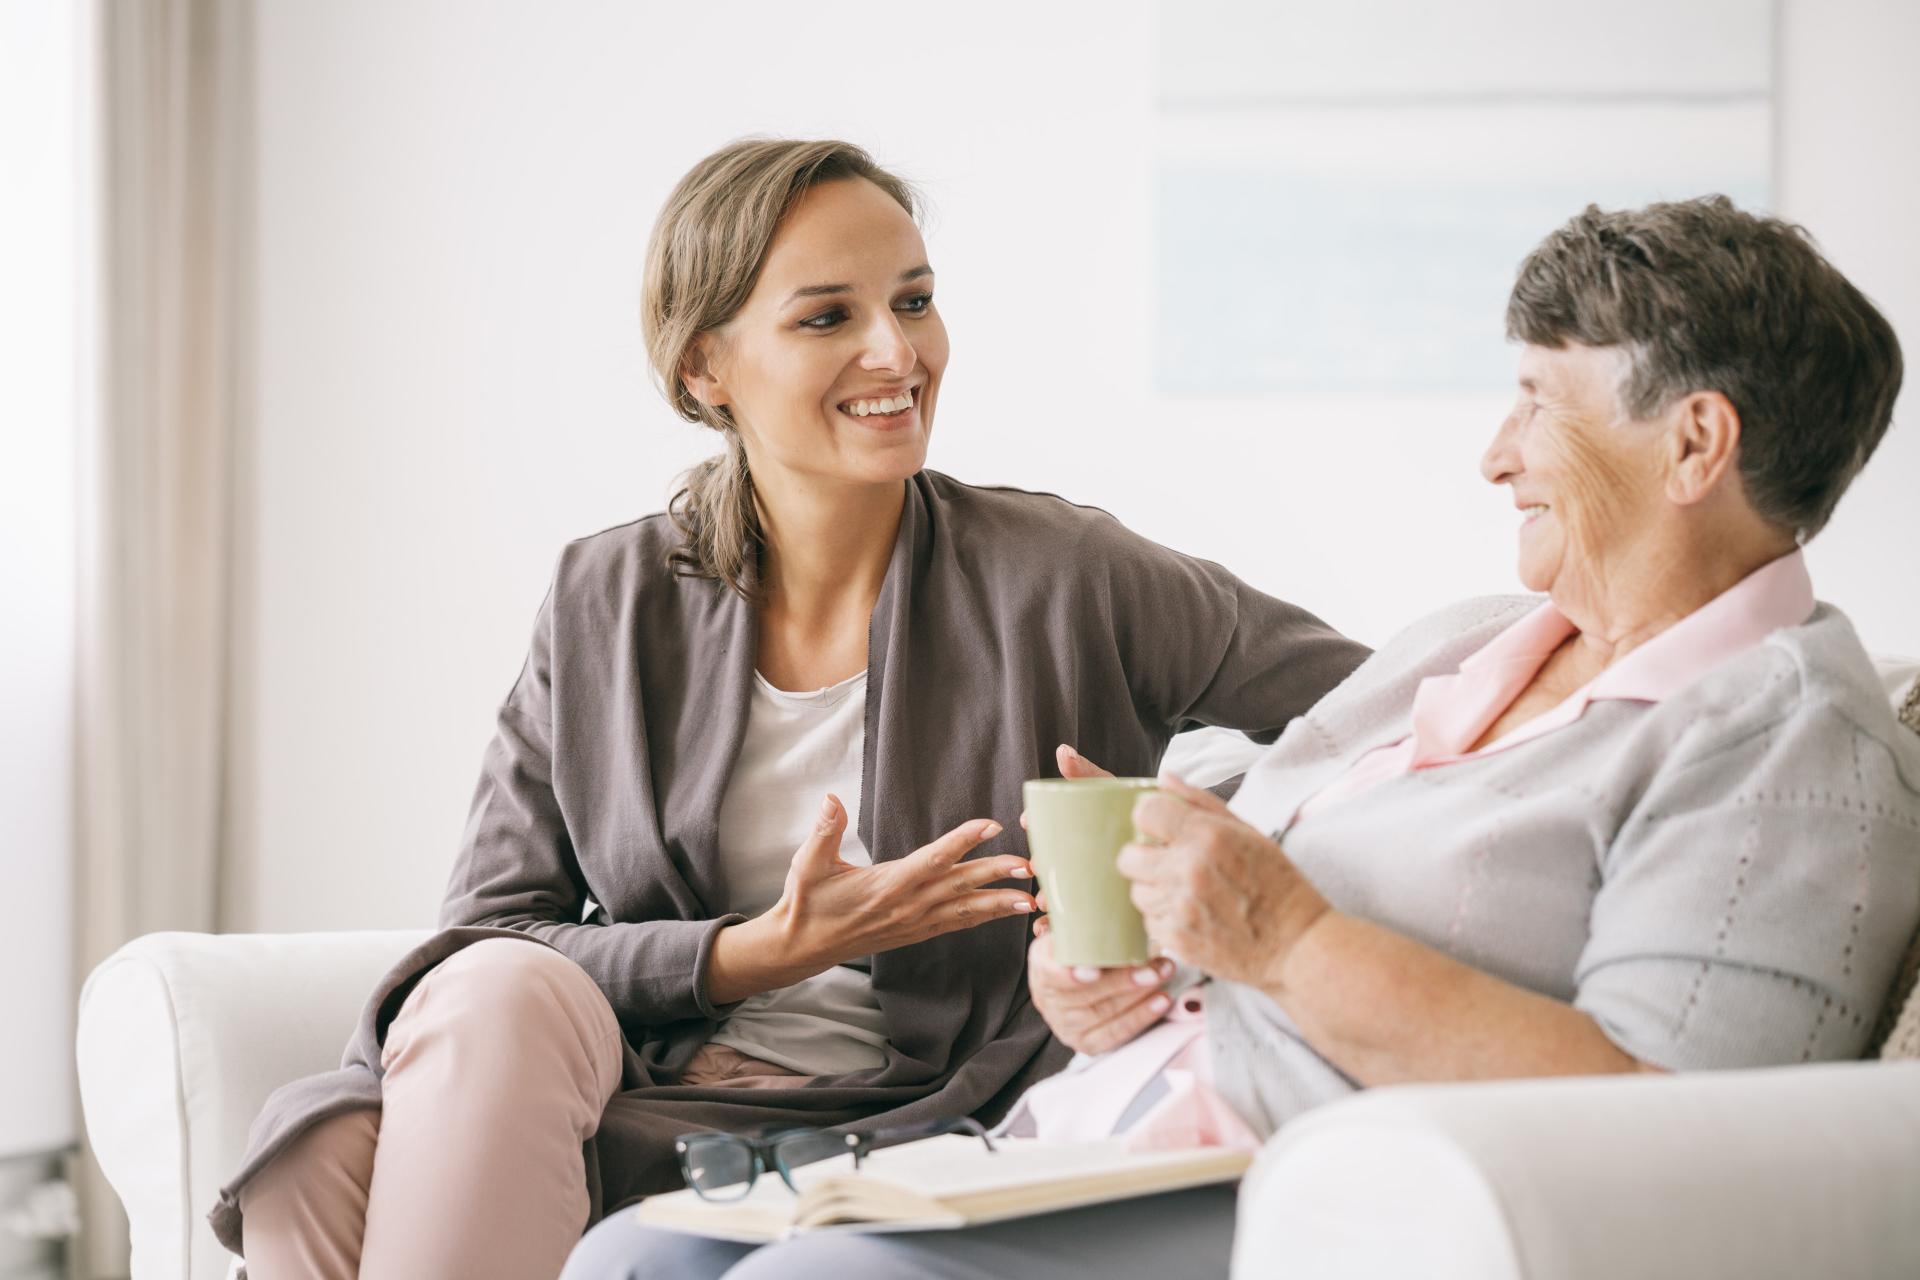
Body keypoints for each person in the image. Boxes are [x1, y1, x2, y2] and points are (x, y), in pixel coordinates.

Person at [579, 196, 1920, 1279]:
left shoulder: (1787, 748)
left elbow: (1673, 1122)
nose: (1497, 454)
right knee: (635, 1255)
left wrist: (1283, 938)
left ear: (1695, 444)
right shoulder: (1468, 643)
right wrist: (1114, 968)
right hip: (1094, 1131)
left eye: (1539, 401)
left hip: (1312, 1192)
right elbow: (1240, 895)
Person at [207, 139, 1368, 1280]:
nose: (897, 350)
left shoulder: (1068, 575)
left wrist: (1188, 824)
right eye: (827, 317)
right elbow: (488, 933)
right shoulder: (606, 599)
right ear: (705, 367)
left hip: (923, 1117)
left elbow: (1382, 711)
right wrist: (752, 954)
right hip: (651, 1096)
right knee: (331, 1139)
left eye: (914, 300)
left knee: (340, 1160)